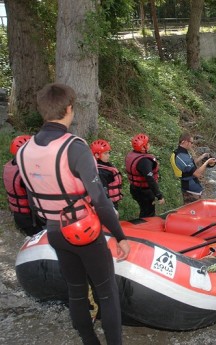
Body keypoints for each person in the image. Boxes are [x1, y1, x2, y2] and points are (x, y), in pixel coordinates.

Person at [16, 83, 130, 345]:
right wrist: (120, 236)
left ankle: (89, 341)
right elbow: (100, 200)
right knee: (107, 292)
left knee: (76, 291)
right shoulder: (75, 147)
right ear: (69, 109)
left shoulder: (23, 151)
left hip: (55, 230)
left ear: (43, 110)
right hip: (85, 232)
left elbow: (33, 198)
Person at [3, 135, 44, 236]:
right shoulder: (24, 172)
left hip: (19, 215)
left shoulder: (10, 166)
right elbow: (33, 199)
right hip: (29, 218)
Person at [171, 132, 216, 205]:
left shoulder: (183, 152)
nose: (192, 144)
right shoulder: (181, 156)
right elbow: (197, 174)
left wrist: (202, 157)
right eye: (191, 142)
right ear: (184, 142)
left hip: (193, 186)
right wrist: (207, 162)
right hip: (190, 189)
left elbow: (191, 163)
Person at [126, 133, 165, 217]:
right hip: (144, 192)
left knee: (144, 210)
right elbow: (150, 179)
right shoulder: (144, 161)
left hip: (134, 189)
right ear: (143, 147)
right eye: (147, 144)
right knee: (148, 214)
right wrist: (159, 195)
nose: (149, 145)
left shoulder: (132, 155)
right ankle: (144, 228)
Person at [90, 139, 123, 210]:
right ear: (97, 155)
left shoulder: (106, 165)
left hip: (111, 202)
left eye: (108, 153)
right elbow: (103, 192)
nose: (108, 155)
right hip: (108, 204)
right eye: (105, 153)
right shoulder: (100, 172)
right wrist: (111, 208)